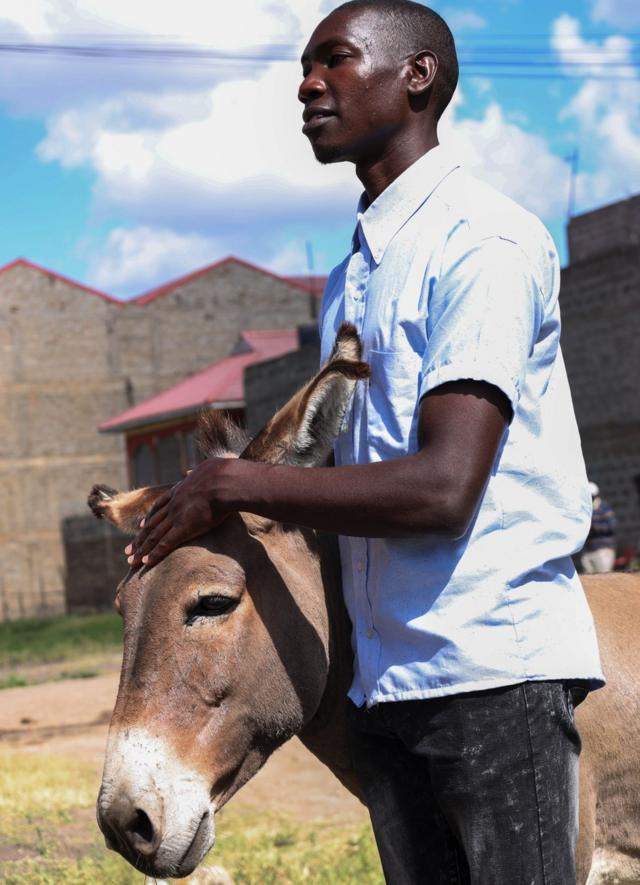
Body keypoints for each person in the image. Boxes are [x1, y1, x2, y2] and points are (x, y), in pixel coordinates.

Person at [126, 1, 604, 881]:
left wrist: (235, 483)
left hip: (491, 675)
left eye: (334, 61)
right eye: (305, 67)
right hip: (385, 689)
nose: (308, 85)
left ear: (417, 75)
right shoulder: (352, 275)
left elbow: (442, 485)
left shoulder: (483, 240)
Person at [581, 481, 617, 573]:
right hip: (588, 550)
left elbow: (612, 525)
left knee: (604, 577)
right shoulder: (585, 510)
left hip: (602, 550)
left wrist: (595, 527)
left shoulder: (603, 508)